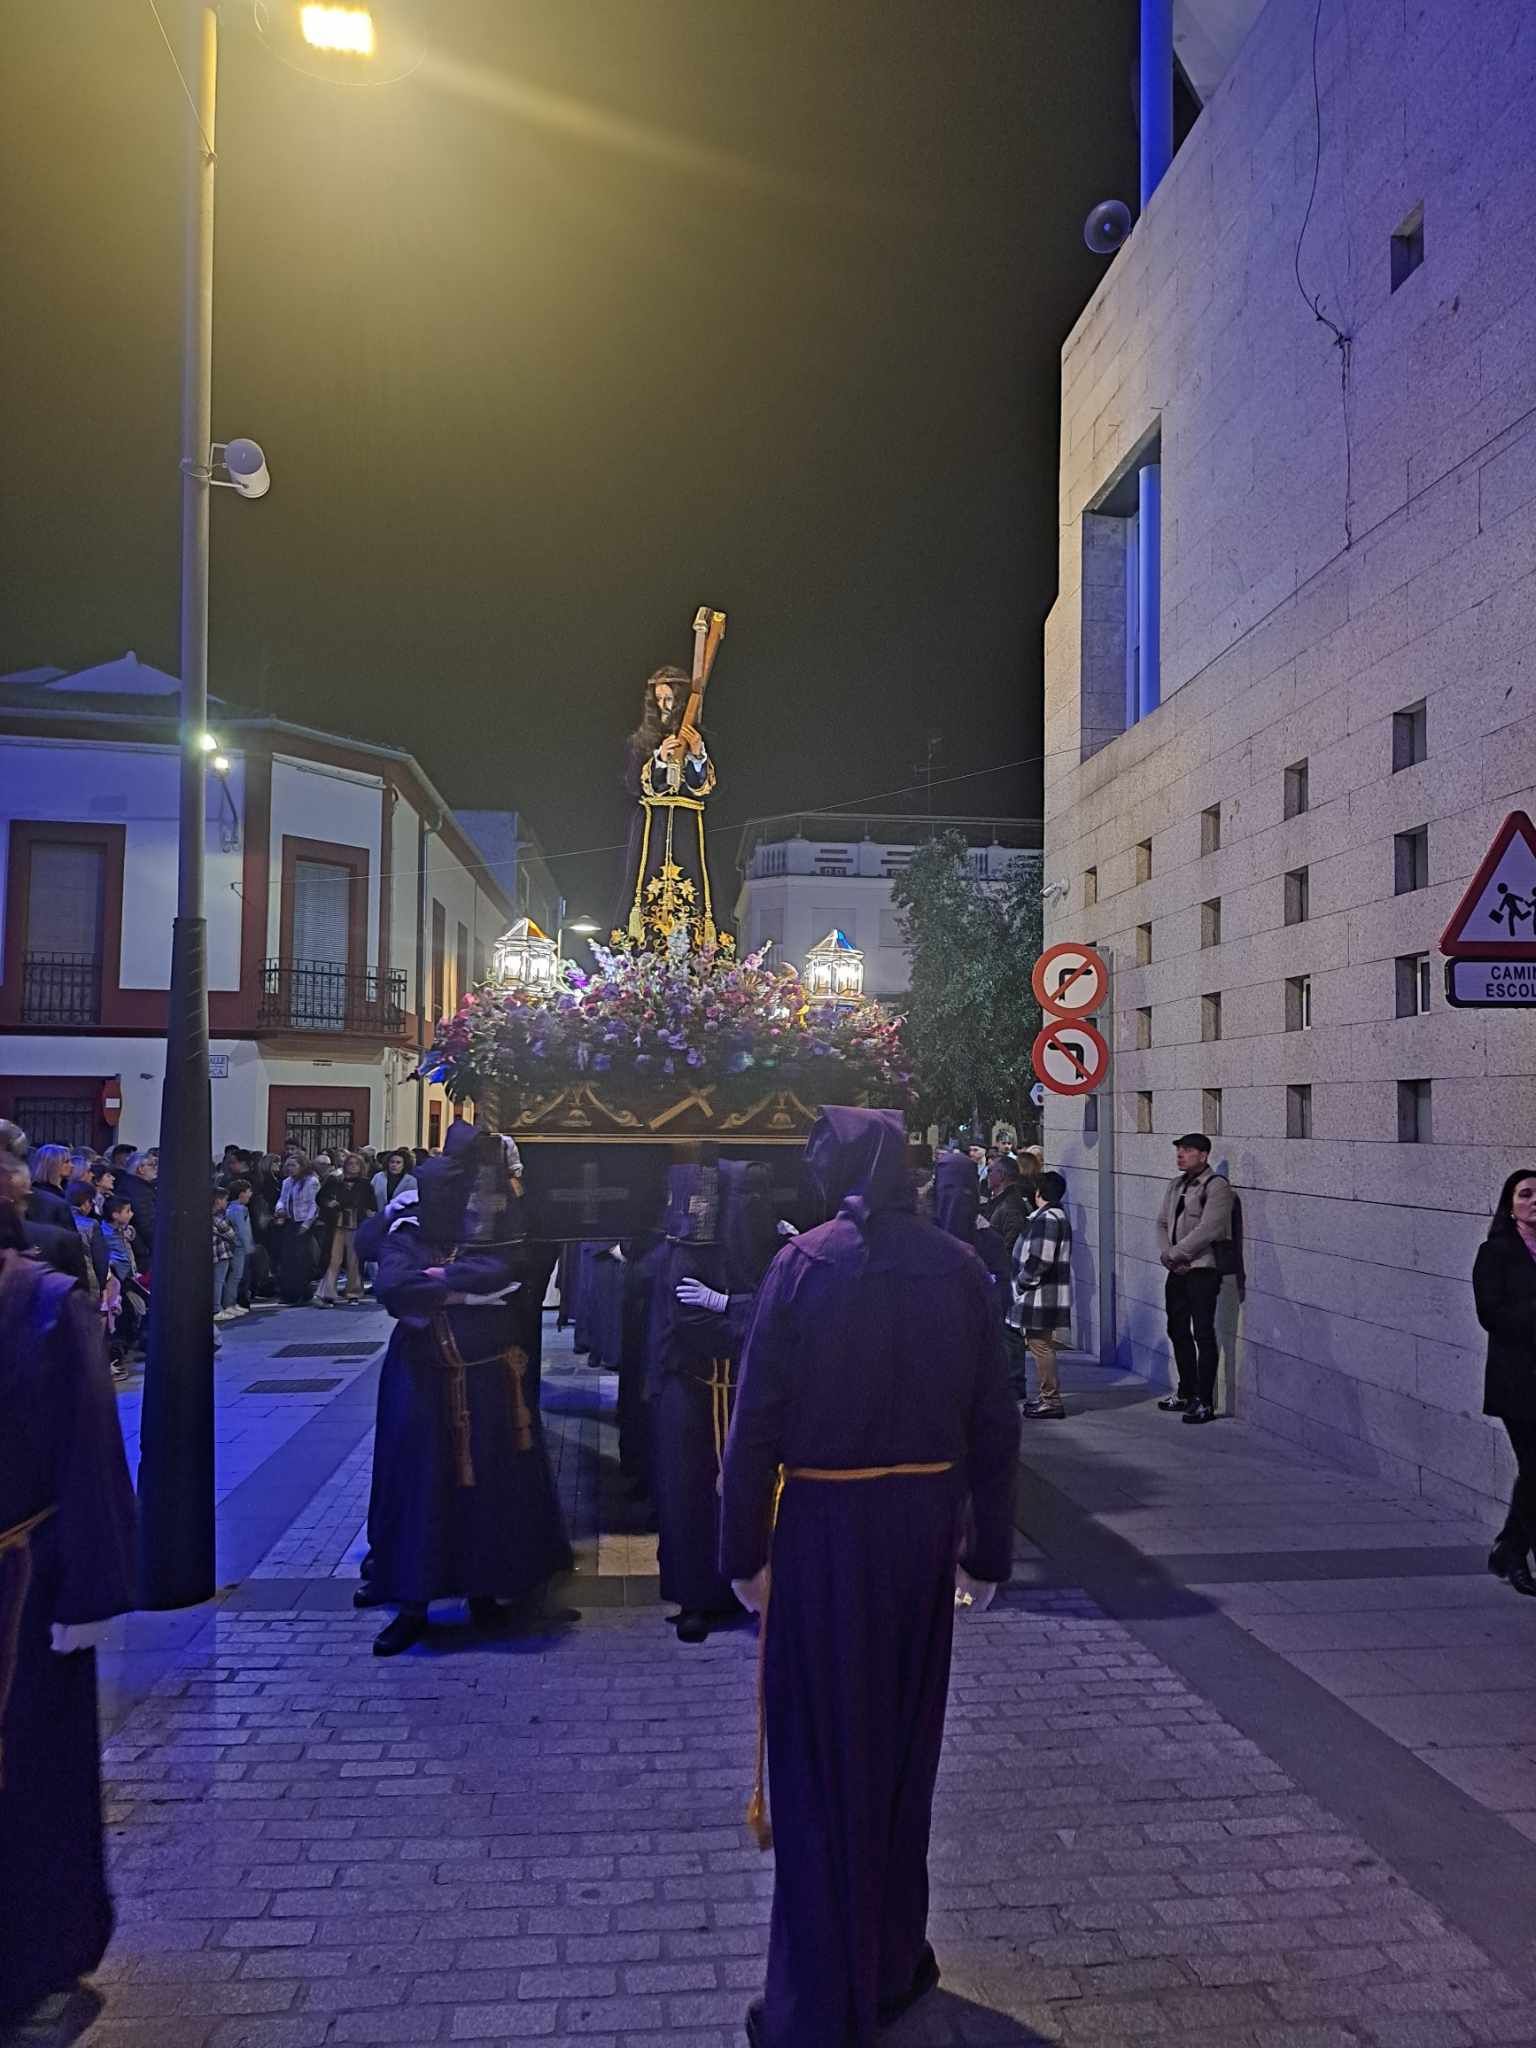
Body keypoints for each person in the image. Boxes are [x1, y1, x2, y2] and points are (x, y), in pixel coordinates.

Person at [720, 1107, 1020, 2048]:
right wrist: (987, 1552)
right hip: (922, 1538)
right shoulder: (960, 1269)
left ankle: (818, 2004)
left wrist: (741, 1554)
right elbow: (996, 1421)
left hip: (826, 1534)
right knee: (901, 1758)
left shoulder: (803, 1264)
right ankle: (890, 1965)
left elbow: (755, 1420)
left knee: (818, 1772)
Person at [0, 1154, 137, 2027]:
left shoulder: (43, 1304)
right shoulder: (43, 1305)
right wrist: (95, 1593)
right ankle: (34, 1954)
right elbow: (89, 1455)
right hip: (26, 1589)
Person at [354, 1122, 572, 1656]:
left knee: (490, 1488)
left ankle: (485, 1593)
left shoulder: (494, 1221)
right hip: (423, 1381)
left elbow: (510, 1268)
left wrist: (444, 1282)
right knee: (420, 1487)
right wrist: (464, 1289)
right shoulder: (410, 1220)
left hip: (487, 1377)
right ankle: (412, 1603)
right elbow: (392, 1283)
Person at [649, 1160, 780, 1644]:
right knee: (689, 1498)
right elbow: (694, 1325)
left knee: (749, 1494)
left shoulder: (767, 1246)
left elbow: (778, 1313)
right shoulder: (687, 1252)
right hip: (693, 1390)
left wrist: (730, 1305)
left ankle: (747, 1585)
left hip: (740, 1390)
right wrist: (742, 1316)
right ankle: (694, 1598)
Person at [619, 664, 722, 948]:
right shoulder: (640, 743)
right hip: (652, 826)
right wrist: (660, 760)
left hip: (690, 827)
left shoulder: (701, 738)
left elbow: (709, 789)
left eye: (669, 699)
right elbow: (632, 784)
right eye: (659, 699)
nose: (664, 705)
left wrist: (698, 755)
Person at [1474, 1168, 1536, 1598]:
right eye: (1526, 1194)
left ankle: (1509, 1547)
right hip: (1517, 1380)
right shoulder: (1494, 1251)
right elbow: (1489, 1315)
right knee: (1535, 1467)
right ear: (1510, 1204)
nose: (1534, 1202)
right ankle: (1516, 1556)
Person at [1155, 1132, 1232, 1427]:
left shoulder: (1216, 1187)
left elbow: (1210, 1228)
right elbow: (1162, 1222)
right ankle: (1186, 1390)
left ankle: (1205, 1400)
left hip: (1202, 1268)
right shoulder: (1176, 1185)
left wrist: (1178, 1253)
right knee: (1177, 1329)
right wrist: (1168, 1255)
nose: (1180, 1155)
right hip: (1176, 1269)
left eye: (1187, 1150)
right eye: (1179, 1150)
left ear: (1203, 1155)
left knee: (1203, 1333)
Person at [1008, 1170, 1073, 1419]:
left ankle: (1050, 1399)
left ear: (1039, 1193)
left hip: (1040, 1296)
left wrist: (1022, 1284)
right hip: (1041, 1294)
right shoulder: (1051, 1217)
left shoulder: (1048, 1219)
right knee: (1039, 1345)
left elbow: (1040, 1260)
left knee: (1040, 1346)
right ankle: (1047, 1396)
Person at [316, 1152, 376, 1305]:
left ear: (361, 1167)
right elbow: (320, 1197)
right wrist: (329, 1203)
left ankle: (353, 1292)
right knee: (333, 1259)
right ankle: (328, 1293)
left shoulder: (365, 1184)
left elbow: (371, 1204)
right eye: (350, 1163)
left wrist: (369, 1215)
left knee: (354, 1259)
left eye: (356, 1164)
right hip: (336, 1223)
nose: (353, 1166)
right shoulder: (335, 1181)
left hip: (356, 1223)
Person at [272, 1154, 322, 1304]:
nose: (290, 1168)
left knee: (302, 1260)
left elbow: (314, 1204)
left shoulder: (311, 1181)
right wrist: (280, 1209)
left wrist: (307, 1224)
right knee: (288, 1259)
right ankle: (288, 1293)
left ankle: (302, 1293)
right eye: (288, 1165)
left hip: (304, 1223)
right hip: (290, 1221)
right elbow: (282, 1198)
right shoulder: (287, 1182)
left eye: (293, 1165)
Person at [116, 1149, 160, 1268]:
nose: (155, 1168)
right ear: (140, 1169)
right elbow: (146, 1224)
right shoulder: (139, 1191)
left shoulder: (137, 1186)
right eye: (151, 1165)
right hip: (144, 1252)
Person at [25, 1143, 75, 1232]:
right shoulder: (38, 1194)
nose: (72, 1165)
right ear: (52, 1164)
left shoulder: (66, 1189)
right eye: (66, 1162)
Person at [222, 1178, 255, 1314]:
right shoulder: (239, 1209)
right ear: (241, 1193)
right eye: (248, 1191)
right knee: (235, 1276)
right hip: (239, 1247)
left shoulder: (231, 1208)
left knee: (234, 1275)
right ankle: (229, 1304)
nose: (250, 1194)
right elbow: (242, 1230)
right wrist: (248, 1246)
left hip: (235, 1246)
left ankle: (232, 1303)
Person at [371, 1148, 417, 1214]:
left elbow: (412, 1202)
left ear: (404, 1165)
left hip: (400, 1217)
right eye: (392, 1162)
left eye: (398, 1163)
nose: (394, 1165)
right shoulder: (378, 1177)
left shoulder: (411, 1180)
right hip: (378, 1215)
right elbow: (370, 1196)